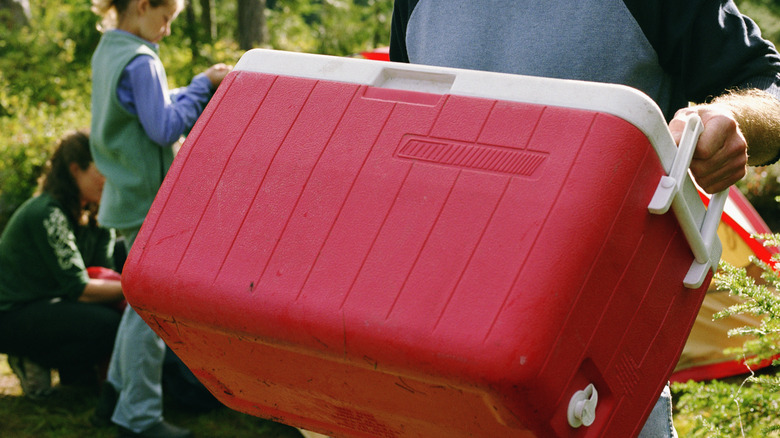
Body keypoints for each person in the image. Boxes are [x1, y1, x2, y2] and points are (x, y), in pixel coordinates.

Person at [389, 1, 780, 437]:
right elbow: (404, 124)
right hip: (434, 368)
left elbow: (771, 85)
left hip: (598, 389)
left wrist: (736, 119)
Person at [89, 0, 231, 436]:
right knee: (152, 314)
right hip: (147, 202)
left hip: (124, 194)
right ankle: (140, 417)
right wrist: (202, 84)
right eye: (166, 18)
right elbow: (165, 127)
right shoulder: (141, 61)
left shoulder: (109, 50)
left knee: (137, 307)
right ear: (143, 6)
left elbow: (145, 114)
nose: (167, 30)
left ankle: (114, 397)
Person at [0, 130, 124, 399]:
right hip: (12, 312)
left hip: (53, 303)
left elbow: (104, 275)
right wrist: (138, 290)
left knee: (112, 311)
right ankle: (33, 356)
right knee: (108, 325)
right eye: (101, 170)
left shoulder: (95, 214)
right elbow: (80, 289)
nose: (109, 178)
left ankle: (77, 375)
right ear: (75, 170)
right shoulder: (48, 212)